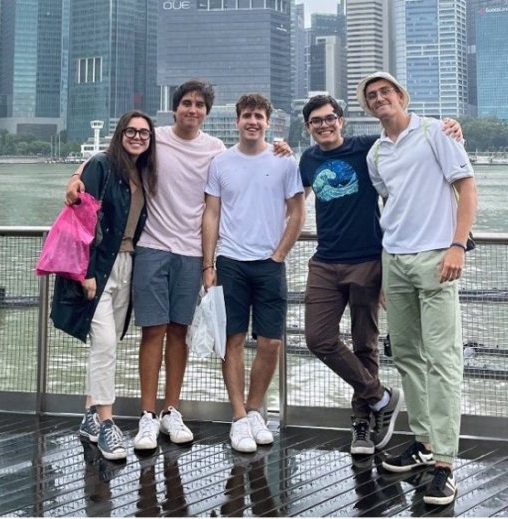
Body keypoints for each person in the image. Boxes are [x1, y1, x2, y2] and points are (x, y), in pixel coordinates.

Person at [66, 80, 292, 452]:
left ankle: (172, 410)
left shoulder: (216, 150)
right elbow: (110, 156)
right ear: (175, 108)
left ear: (207, 111)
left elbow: (240, 177)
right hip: (152, 248)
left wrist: (280, 149)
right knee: (152, 332)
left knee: (180, 332)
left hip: (191, 253)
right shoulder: (155, 138)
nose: (193, 109)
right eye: (186, 103)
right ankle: (147, 415)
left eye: (200, 105)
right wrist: (76, 176)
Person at [298, 95, 463, 457]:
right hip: (325, 262)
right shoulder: (307, 159)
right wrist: (277, 150)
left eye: (330, 118)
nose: (324, 125)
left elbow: (406, 139)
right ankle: (381, 398)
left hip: (369, 260)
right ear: (307, 128)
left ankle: (362, 425)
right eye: (315, 122)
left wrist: (451, 128)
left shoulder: (366, 148)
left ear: (341, 120)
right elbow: (290, 195)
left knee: (365, 344)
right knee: (318, 338)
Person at [359, 71, 477, 506]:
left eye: (385, 92)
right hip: (395, 260)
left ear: (401, 96)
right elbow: (390, 200)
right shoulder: (376, 153)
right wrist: (388, 269)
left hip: (436, 256)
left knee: (443, 359)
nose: (378, 99)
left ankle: (444, 462)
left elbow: (466, 188)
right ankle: (425, 441)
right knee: (407, 354)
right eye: (371, 96)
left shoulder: (435, 133)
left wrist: (457, 245)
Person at [202, 93, 305, 453]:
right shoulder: (220, 163)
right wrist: (208, 263)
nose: (252, 121)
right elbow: (211, 214)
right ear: (237, 121)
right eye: (247, 115)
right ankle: (238, 417)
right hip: (230, 262)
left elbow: (297, 211)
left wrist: (280, 253)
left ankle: (256, 409)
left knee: (271, 342)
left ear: (267, 122)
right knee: (231, 340)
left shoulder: (284, 162)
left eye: (259, 116)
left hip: (270, 264)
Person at [52, 110, 156, 461]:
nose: (138, 137)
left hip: (128, 263)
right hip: (100, 266)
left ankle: (89, 416)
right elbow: (83, 219)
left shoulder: (142, 170)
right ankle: (107, 423)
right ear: (119, 133)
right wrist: (85, 271)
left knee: (107, 344)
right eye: (131, 131)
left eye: (144, 132)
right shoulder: (101, 165)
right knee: (106, 344)